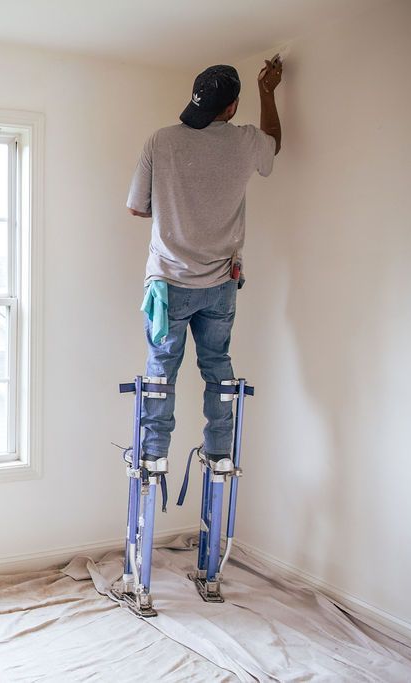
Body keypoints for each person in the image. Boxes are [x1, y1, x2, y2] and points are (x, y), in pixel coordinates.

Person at [125, 58, 283, 467]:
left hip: (169, 282)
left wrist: (176, 203)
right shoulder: (245, 141)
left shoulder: (161, 141)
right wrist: (268, 91)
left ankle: (153, 456)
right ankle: (219, 453)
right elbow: (274, 142)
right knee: (218, 367)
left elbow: (137, 209)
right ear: (231, 107)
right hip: (220, 283)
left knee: (162, 369)